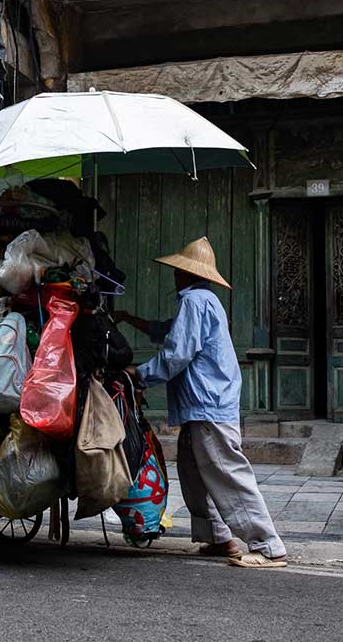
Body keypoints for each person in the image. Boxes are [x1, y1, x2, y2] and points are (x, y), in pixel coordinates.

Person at [116, 237, 287, 569]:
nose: (174, 274)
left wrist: (140, 374)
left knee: (226, 472)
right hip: (202, 404)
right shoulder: (203, 301)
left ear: (185, 272)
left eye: (177, 270)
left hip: (209, 403)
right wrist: (129, 318)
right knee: (193, 472)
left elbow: (177, 353)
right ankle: (219, 537)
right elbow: (168, 331)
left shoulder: (195, 302)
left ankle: (268, 545)